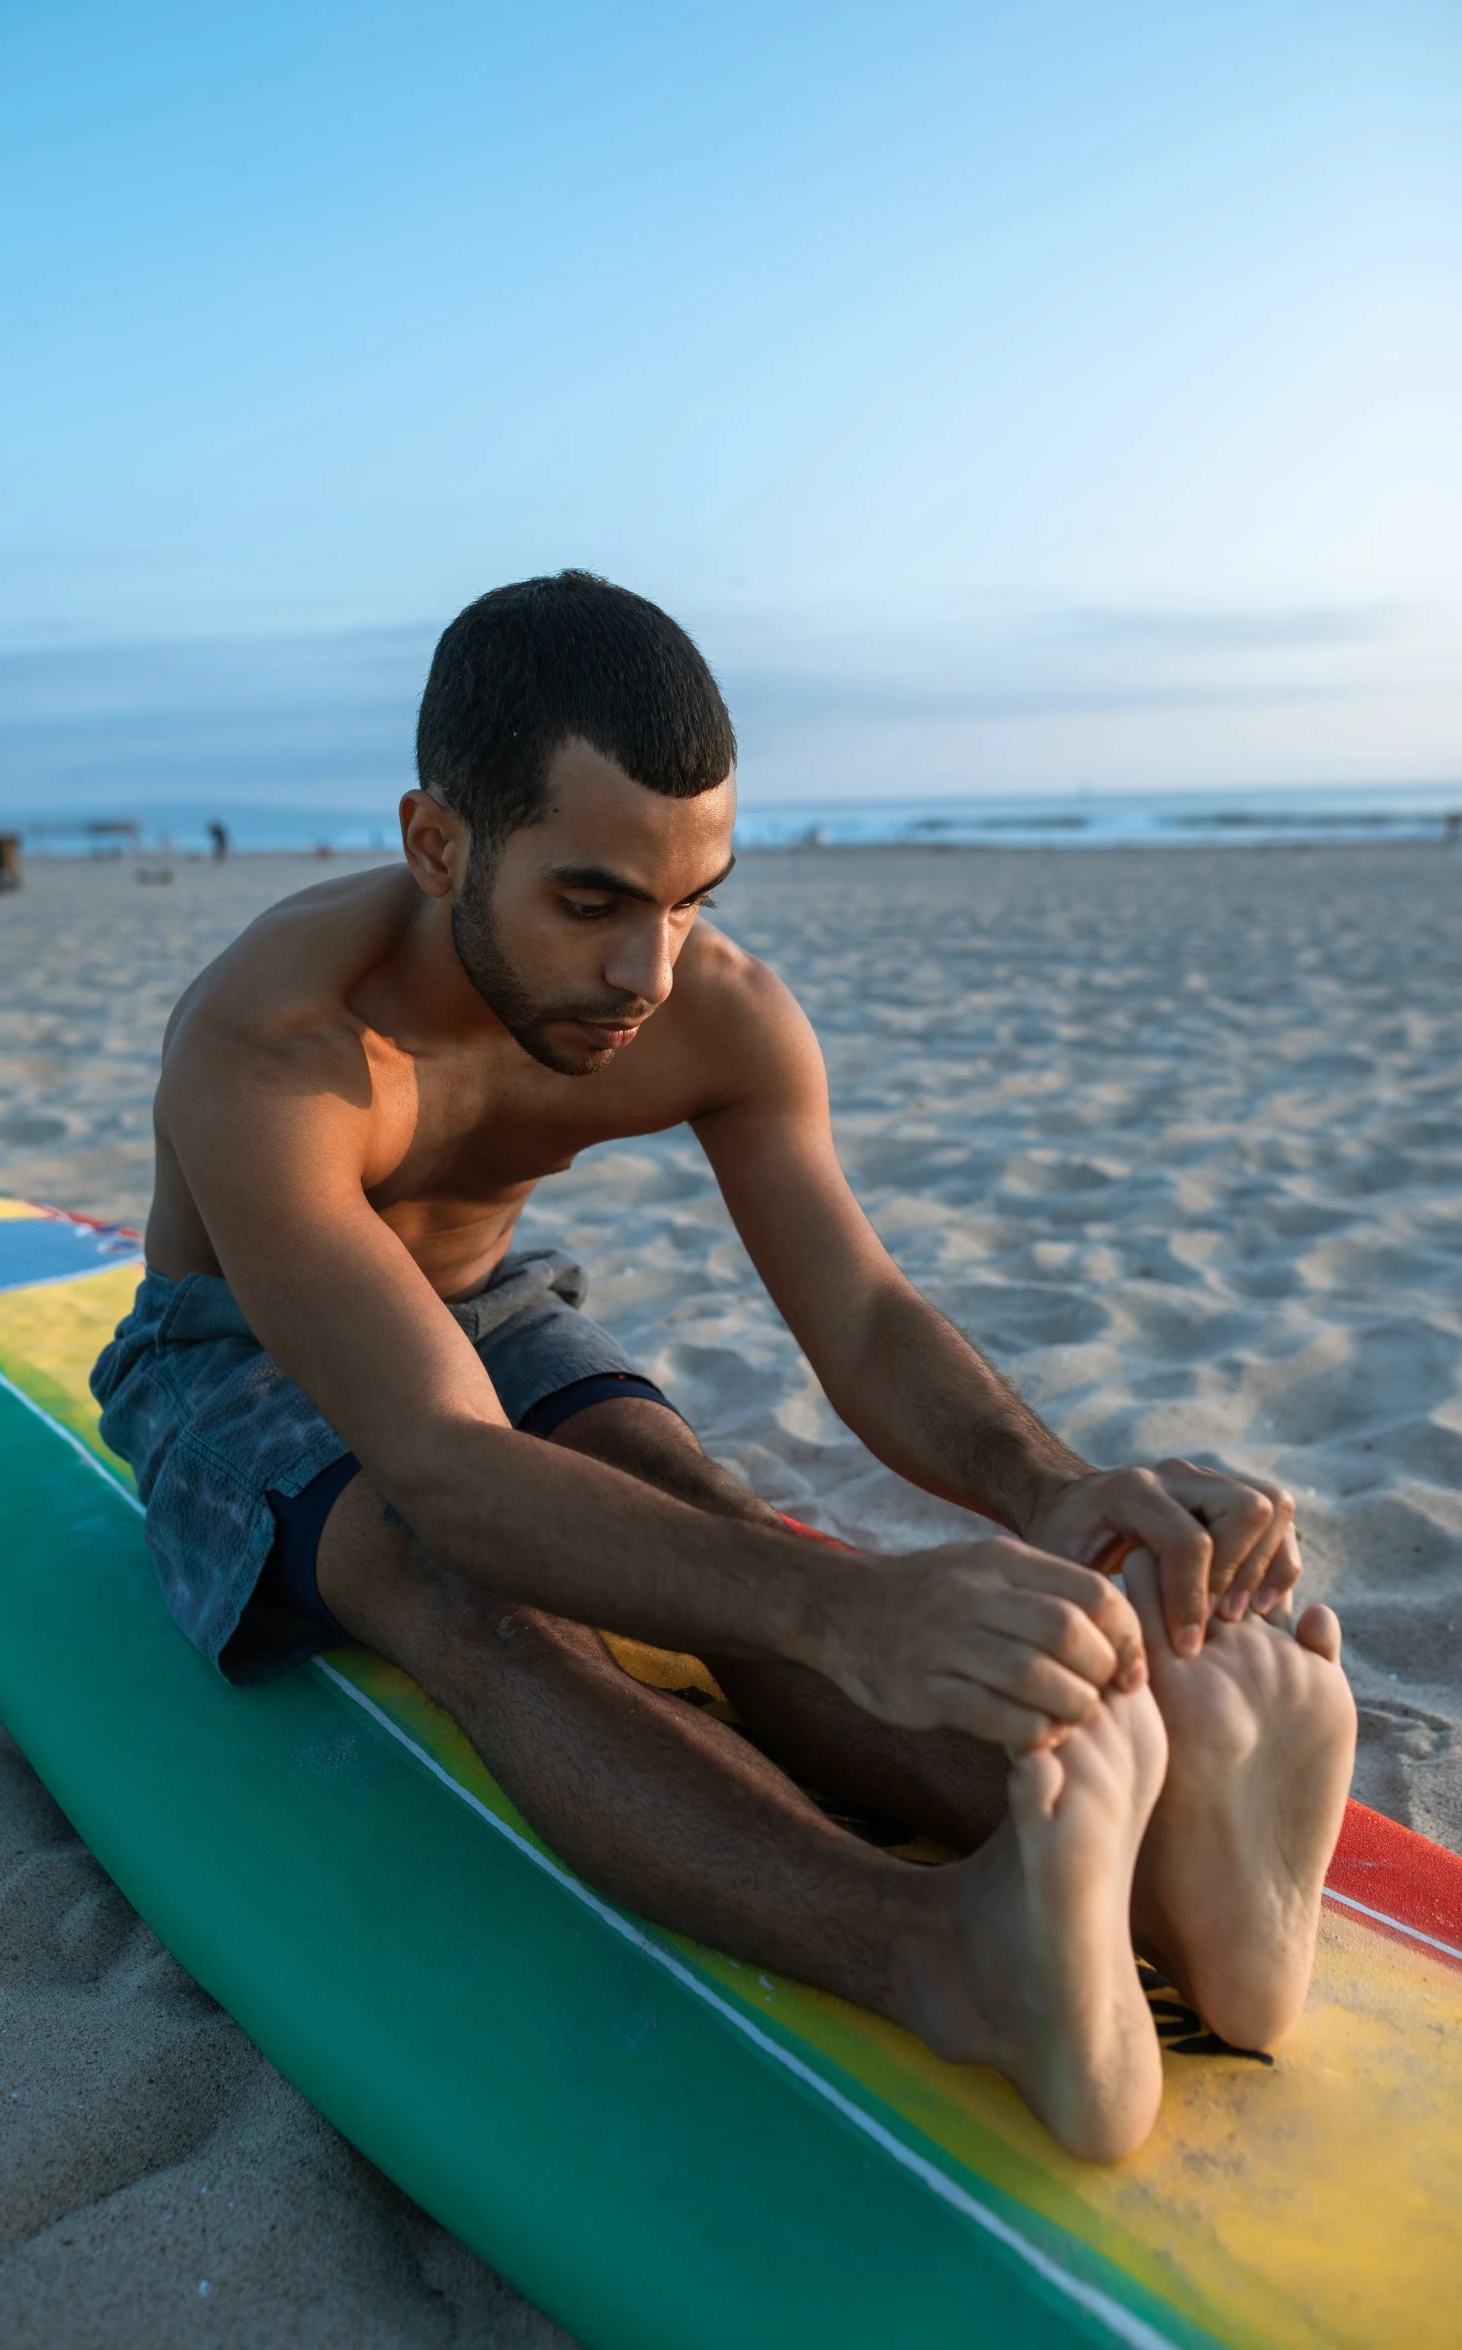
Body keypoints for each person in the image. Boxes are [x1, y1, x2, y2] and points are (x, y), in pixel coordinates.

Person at [92, 572, 1355, 2161]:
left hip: (487, 1300)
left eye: (692, 899)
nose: (651, 970)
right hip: (237, 1352)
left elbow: (867, 1318)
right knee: (466, 1581)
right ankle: (940, 1953)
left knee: (714, 1512)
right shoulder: (274, 1045)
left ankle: (1178, 1867)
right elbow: (447, 1464)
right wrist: (851, 1607)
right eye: (595, 899)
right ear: (436, 844)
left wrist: (1050, 1487)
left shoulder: (715, 1007)